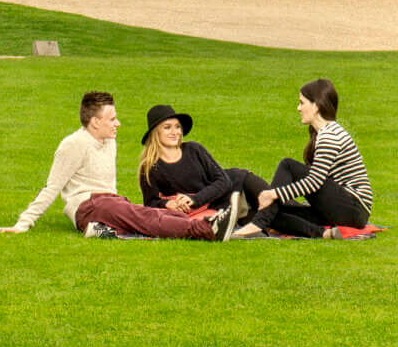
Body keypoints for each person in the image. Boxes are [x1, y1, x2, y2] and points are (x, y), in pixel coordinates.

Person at [0, 90, 223, 239]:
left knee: (145, 213)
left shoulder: (109, 141)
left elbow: (110, 187)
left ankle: (103, 229)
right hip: (88, 205)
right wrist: (23, 223)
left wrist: (119, 207)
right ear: (95, 122)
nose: (118, 123)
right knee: (143, 217)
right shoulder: (73, 144)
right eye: (112, 119)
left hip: (109, 202)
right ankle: (204, 229)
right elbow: (51, 187)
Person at [254, 78, 374, 237]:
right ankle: (323, 234)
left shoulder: (330, 136)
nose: (298, 108)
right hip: (344, 210)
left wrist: (273, 194)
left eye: (302, 103)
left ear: (316, 106)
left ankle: (260, 221)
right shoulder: (323, 134)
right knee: (275, 216)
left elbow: (314, 182)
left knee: (287, 165)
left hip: (353, 208)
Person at [137, 104, 270, 232]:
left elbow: (224, 181)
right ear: (155, 133)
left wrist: (194, 199)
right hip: (222, 205)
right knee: (276, 221)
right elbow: (150, 203)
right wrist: (166, 204)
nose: (175, 132)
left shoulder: (194, 149)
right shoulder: (150, 167)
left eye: (177, 127)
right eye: (167, 127)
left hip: (240, 183)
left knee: (280, 203)